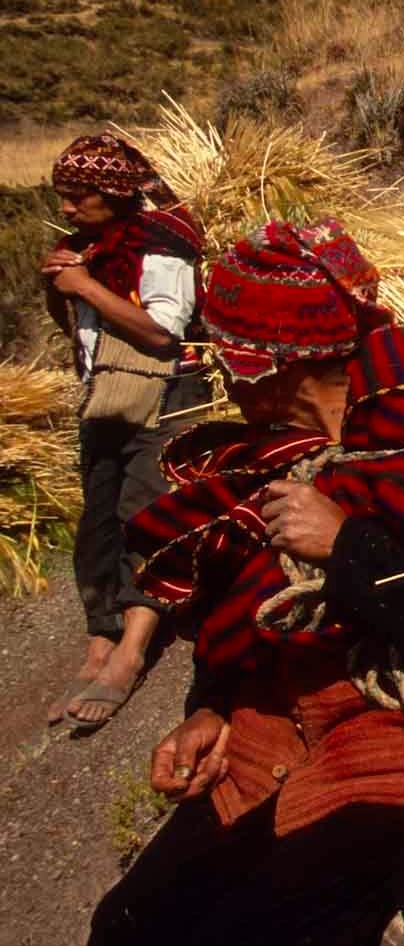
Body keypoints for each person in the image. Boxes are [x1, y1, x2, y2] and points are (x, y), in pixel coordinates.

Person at [89, 220, 404, 945]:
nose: (219, 372)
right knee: (126, 924)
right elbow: (242, 603)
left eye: (226, 354)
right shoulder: (277, 452)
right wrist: (213, 706)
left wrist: (346, 545)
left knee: (275, 929)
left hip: (401, 719)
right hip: (281, 704)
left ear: (268, 365)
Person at [42, 134, 207, 730]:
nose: (66, 208)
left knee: (146, 510)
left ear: (111, 194)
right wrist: (61, 284)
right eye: (63, 196)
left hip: (164, 391)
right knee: (98, 518)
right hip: (106, 392)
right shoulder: (85, 248)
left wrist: (86, 286)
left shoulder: (161, 243)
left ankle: (132, 649)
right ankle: (100, 639)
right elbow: (76, 327)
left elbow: (163, 333)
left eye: (77, 197)